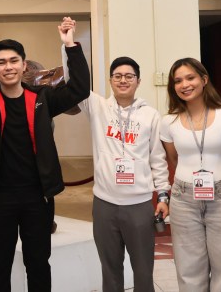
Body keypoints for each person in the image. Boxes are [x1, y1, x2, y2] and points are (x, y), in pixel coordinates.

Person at [0, 17, 90, 291]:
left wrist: (70, 45)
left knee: (38, 264)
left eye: (14, 61)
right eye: (1, 62)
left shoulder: (43, 99)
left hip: (38, 197)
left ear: (24, 65)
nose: (8, 67)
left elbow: (79, 89)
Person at [63, 55, 170, 292]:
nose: (123, 80)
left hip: (139, 205)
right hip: (105, 205)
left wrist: (163, 195)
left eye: (129, 76)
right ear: (110, 80)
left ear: (138, 81)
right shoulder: (97, 106)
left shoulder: (150, 115)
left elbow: (157, 158)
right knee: (110, 271)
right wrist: (69, 47)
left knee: (143, 271)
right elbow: (74, 81)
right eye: (118, 76)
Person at [160, 57, 221, 292]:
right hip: (183, 199)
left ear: (204, 79)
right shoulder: (168, 121)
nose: (184, 85)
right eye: (178, 81)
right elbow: (174, 159)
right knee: (189, 270)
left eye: (190, 78)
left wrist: (217, 177)